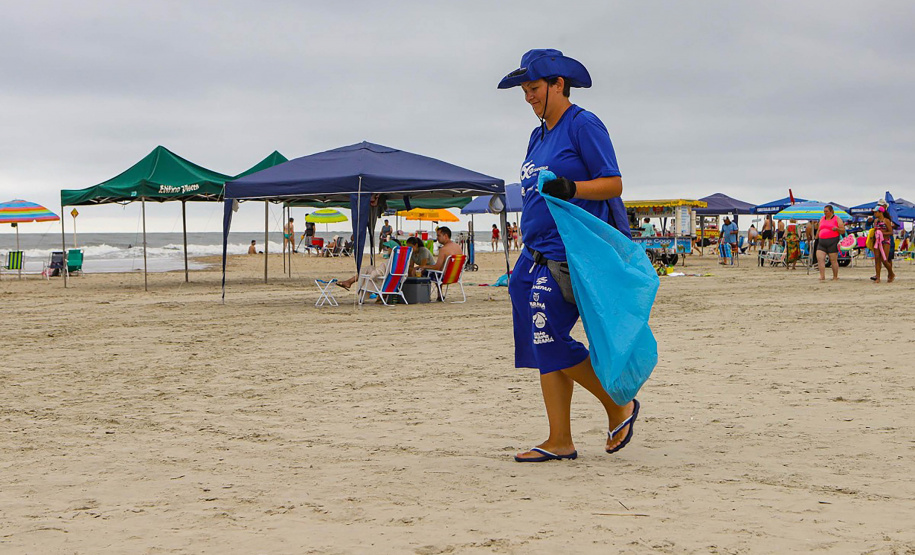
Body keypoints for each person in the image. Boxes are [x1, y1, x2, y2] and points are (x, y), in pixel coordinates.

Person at [498, 48, 637, 462]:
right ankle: (560, 439)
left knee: (549, 334)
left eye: (535, 88)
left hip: (568, 253)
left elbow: (613, 184)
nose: (528, 97)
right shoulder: (537, 134)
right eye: (524, 90)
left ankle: (619, 405)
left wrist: (571, 189)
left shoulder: (583, 125)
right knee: (540, 344)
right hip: (533, 253)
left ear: (559, 84)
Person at [816, 205, 846, 281]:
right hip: (822, 241)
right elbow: (819, 229)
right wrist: (816, 238)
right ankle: (822, 276)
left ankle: (835, 276)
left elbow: (843, 231)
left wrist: (837, 229)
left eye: (826, 211)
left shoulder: (837, 219)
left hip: (832, 241)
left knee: (833, 260)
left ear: (831, 211)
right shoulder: (822, 218)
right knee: (820, 259)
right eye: (824, 211)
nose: (825, 213)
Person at [872, 206, 895, 283]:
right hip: (877, 241)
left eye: (876, 212)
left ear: (880, 212)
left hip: (885, 241)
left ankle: (891, 273)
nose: (874, 214)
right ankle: (878, 277)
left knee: (884, 259)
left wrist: (882, 233)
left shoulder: (886, 221)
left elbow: (891, 232)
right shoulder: (875, 221)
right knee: (877, 259)